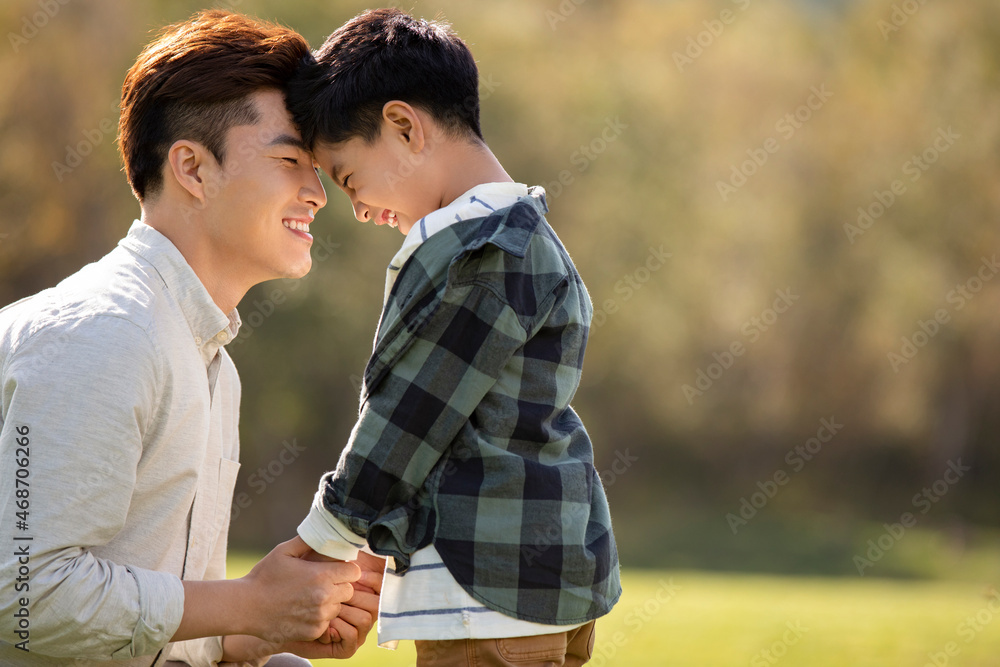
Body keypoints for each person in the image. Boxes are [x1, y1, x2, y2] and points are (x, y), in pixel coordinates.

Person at [0, 10, 380, 667]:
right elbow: (23, 598)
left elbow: (150, 623)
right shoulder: (104, 336)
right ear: (193, 169)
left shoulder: (211, 363)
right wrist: (248, 604)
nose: (317, 193)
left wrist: (261, 631)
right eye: (290, 160)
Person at [287, 8, 621, 666]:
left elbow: (413, 414)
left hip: (489, 591)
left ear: (404, 126)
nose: (357, 209)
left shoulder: (480, 251)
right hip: (531, 582)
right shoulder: (520, 234)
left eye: (349, 178)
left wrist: (324, 537)